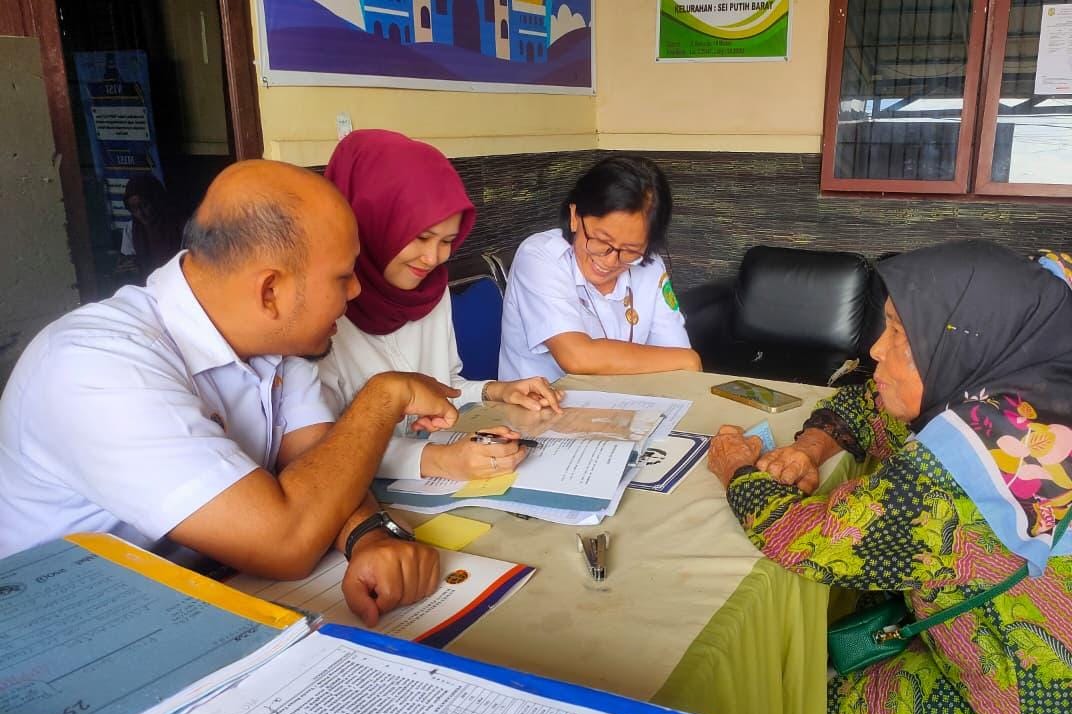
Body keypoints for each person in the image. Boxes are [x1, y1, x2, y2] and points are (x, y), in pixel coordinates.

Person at [0, 160, 458, 626]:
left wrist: (370, 536)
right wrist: (383, 398)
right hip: (69, 630)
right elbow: (284, 543)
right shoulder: (95, 366)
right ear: (270, 291)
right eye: (343, 277)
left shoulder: (276, 339)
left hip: (194, 597)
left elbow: (320, 464)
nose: (357, 290)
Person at [707, 241, 1072, 714]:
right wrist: (809, 447)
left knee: (787, 700)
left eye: (899, 332)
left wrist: (735, 466)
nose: (876, 347)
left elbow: (810, 541)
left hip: (1021, 698)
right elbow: (869, 407)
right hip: (999, 649)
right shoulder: (1023, 401)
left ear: (965, 343)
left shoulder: (964, 464)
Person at [316, 130, 563, 482]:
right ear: (370, 222)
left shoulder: (428, 288)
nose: (432, 258)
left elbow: (441, 384)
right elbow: (320, 448)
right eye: (420, 238)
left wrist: (498, 391)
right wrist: (438, 461)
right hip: (353, 501)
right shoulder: (320, 313)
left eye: (448, 241)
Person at [498, 155, 700, 383]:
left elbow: (680, 365)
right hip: (540, 412)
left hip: (625, 409)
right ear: (575, 216)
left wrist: (684, 361)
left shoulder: (649, 265)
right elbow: (577, 358)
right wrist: (685, 360)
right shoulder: (540, 256)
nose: (611, 261)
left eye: (630, 250)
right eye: (602, 241)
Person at [122, 174, 184, 278]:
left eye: (144, 205)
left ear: (156, 201)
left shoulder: (180, 225)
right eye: (134, 208)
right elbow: (129, 261)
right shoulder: (131, 229)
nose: (140, 213)